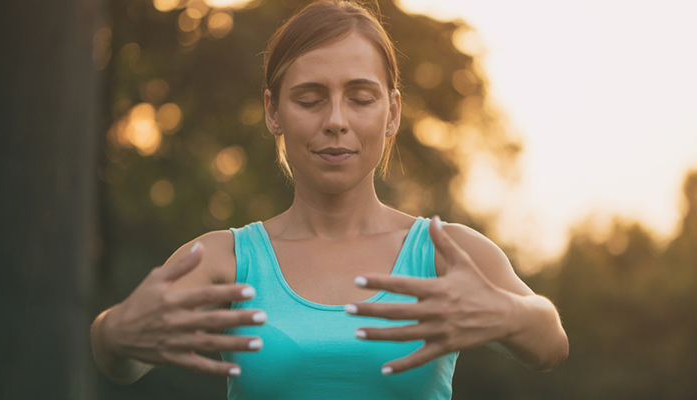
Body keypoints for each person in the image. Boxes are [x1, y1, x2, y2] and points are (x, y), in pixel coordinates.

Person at [90, 1, 569, 398]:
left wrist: (509, 314)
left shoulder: (447, 253)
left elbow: (550, 345)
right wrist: (113, 332)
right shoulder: (224, 260)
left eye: (361, 98)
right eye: (310, 98)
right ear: (273, 110)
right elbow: (121, 361)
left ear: (392, 112)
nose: (336, 120)